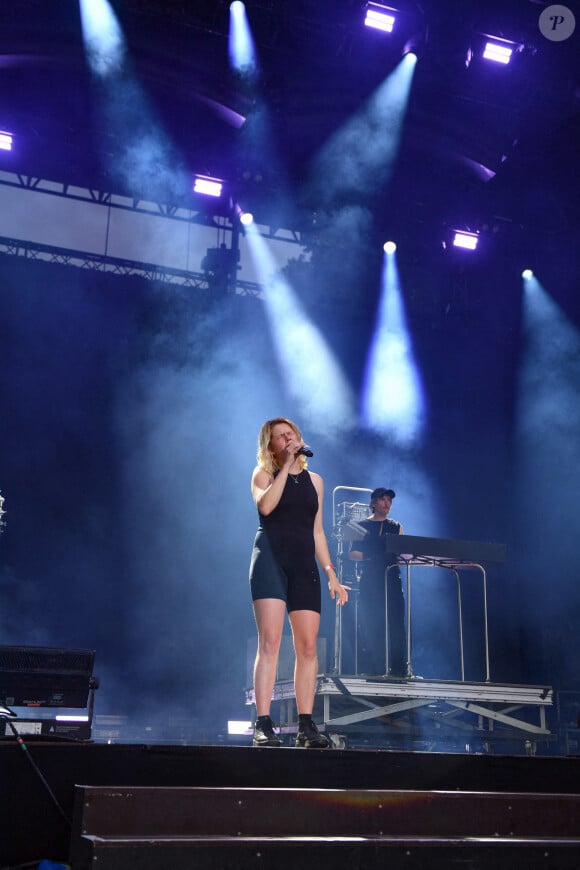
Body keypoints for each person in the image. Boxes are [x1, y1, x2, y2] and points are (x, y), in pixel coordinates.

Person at [249, 417, 349, 748]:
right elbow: (266, 505)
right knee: (271, 642)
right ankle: (263, 724)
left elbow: (317, 530)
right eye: (280, 437)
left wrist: (331, 572)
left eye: (291, 434)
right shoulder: (263, 474)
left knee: (307, 646)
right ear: (271, 447)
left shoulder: (316, 481)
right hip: (271, 559)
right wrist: (286, 468)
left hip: (304, 562)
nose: (288, 439)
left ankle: (306, 725)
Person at [348, 487, 407, 677]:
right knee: (372, 623)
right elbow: (352, 553)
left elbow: (402, 552)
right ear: (373, 503)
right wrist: (374, 555)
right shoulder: (360, 525)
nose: (387, 503)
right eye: (383, 499)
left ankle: (400, 669)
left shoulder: (396, 525)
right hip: (370, 580)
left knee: (397, 624)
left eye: (389, 500)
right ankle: (375, 669)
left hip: (391, 578)